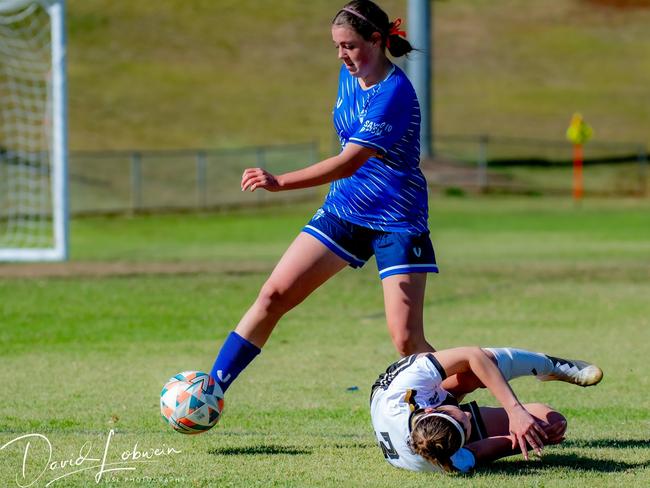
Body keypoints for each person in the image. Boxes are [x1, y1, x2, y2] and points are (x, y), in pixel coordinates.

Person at [209, 1, 439, 395]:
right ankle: (210, 391)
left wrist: (280, 181)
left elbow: (348, 162)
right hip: (344, 210)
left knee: (406, 341)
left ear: (377, 40)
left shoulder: (394, 94)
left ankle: (457, 399)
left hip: (396, 220)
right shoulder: (348, 76)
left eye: (349, 45)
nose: (341, 55)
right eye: (336, 46)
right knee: (273, 294)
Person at [370, 346, 603, 473]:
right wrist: (530, 439)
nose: (468, 416)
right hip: (421, 422)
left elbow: (473, 355)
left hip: (394, 390)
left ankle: (550, 365)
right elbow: (480, 452)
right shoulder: (448, 462)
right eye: (467, 429)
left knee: (476, 367)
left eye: (461, 418)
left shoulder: (407, 386)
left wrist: (515, 411)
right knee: (549, 422)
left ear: (433, 411)